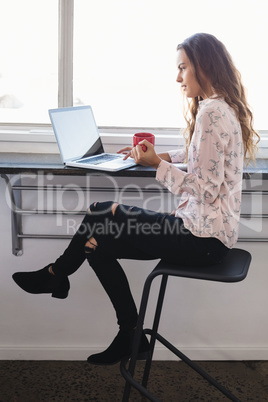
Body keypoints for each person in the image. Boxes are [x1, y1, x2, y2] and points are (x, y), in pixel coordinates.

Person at [12, 33, 259, 365]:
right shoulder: (222, 106)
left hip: (201, 238)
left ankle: (56, 275)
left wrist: (157, 164)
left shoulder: (210, 112)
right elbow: (199, 155)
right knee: (95, 244)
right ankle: (130, 334)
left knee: (100, 213)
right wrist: (156, 156)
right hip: (206, 236)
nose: (178, 77)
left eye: (183, 68)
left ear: (203, 66)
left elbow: (206, 189)